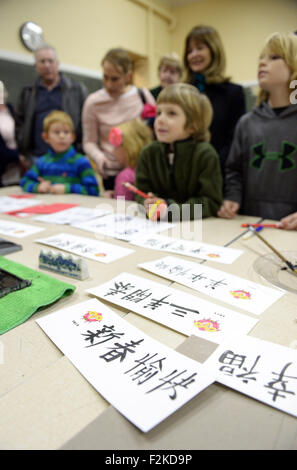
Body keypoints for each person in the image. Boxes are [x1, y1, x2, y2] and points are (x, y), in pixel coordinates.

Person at [217, 32, 297, 230]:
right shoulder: (246, 123)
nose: (262, 62)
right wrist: (232, 197)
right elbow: (233, 170)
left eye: (273, 57)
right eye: (261, 57)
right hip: (249, 224)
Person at [135, 83, 223, 221]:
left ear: (192, 125)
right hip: (156, 230)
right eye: (159, 112)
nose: (160, 119)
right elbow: (141, 192)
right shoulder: (148, 153)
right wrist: (145, 202)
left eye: (171, 113)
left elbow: (211, 202)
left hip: (198, 230)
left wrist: (172, 211)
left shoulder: (205, 154)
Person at [82, 48, 155, 191]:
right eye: (105, 77)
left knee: (142, 208)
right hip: (111, 171)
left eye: (115, 78)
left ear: (128, 76)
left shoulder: (142, 95)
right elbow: (89, 142)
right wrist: (99, 157)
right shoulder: (93, 102)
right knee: (119, 209)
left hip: (139, 169)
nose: (109, 84)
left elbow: (153, 132)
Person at [183, 25, 246, 173]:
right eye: (189, 51)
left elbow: (234, 141)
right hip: (184, 176)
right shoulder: (183, 92)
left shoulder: (233, 93)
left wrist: (211, 167)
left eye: (200, 48)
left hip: (218, 174)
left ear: (214, 50)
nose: (194, 54)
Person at [15, 44, 88, 163]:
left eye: (50, 61)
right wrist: (23, 151)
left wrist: (81, 151)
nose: (47, 65)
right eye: (42, 61)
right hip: (36, 157)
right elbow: (19, 123)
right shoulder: (27, 92)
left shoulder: (76, 90)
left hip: (69, 157)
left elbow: (85, 122)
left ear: (57, 63)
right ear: (35, 66)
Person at [20, 111, 99, 196]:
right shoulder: (42, 162)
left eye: (66, 132)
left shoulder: (81, 162)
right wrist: (37, 187)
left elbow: (93, 190)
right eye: (56, 132)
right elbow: (24, 181)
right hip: (48, 206)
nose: (62, 136)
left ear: (72, 137)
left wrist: (68, 188)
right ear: (46, 137)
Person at [105, 118, 153, 200]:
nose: (113, 151)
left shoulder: (124, 177)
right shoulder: (150, 170)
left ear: (128, 148)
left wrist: (108, 200)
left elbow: (121, 208)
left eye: (116, 146)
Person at [0, 83, 29, 186]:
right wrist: (18, 158)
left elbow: (21, 131)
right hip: (5, 163)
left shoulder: (11, 109)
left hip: (19, 165)